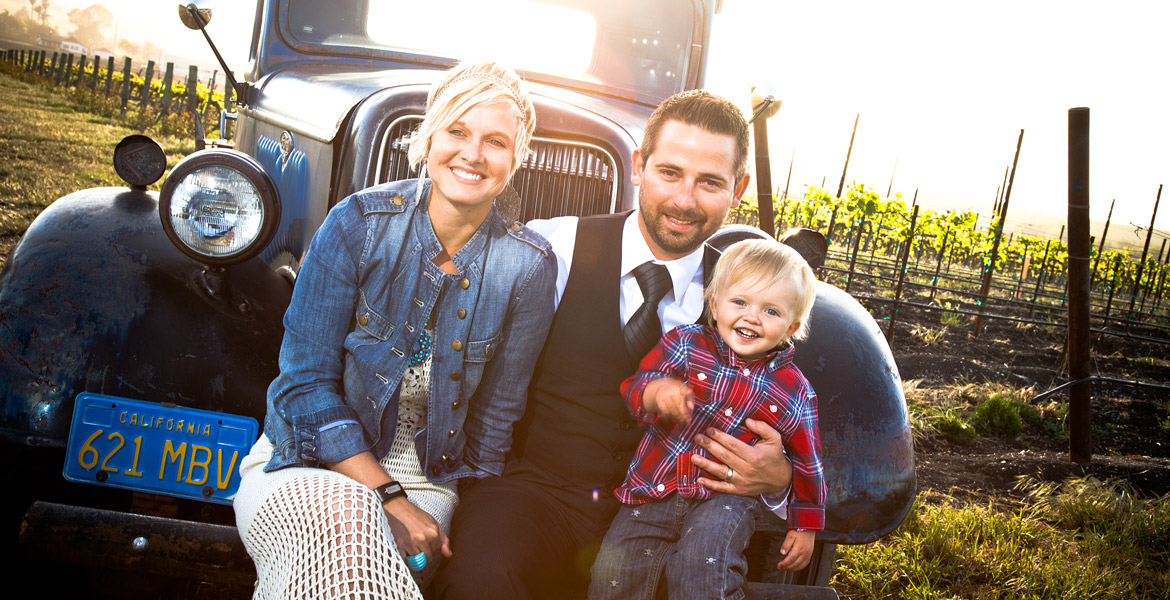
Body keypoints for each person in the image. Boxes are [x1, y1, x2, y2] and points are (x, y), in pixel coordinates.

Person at [435, 90, 795, 599]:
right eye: (669, 173)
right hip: (539, 494)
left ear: (738, 188)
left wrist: (780, 481)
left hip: (670, 516)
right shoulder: (552, 247)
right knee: (480, 576)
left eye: (710, 182)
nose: (684, 200)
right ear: (638, 165)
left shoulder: (754, 300)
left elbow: (789, 412)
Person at [232, 61, 555, 600]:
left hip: (429, 483)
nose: (473, 154)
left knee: (351, 564)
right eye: (456, 131)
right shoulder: (357, 224)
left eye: (496, 141)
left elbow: (497, 419)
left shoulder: (526, 266)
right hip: (305, 457)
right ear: (430, 135)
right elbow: (302, 384)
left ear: (516, 158)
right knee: (346, 522)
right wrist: (385, 495)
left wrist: (471, 528)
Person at [589, 239, 826, 599]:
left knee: (704, 567)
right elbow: (636, 388)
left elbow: (808, 463)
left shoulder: (796, 391)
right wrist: (658, 393)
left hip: (724, 500)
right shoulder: (684, 345)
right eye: (740, 302)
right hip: (655, 487)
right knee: (614, 573)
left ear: (791, 328)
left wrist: (805, 525)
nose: (752, 317)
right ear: (715, 305)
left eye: (771, 312)